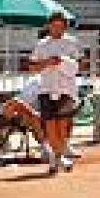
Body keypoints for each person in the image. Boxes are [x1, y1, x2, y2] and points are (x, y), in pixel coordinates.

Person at [27, 10, 83, 175]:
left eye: (60, 25)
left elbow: (79, 65)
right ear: (49, 26)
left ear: (65, 27)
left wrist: (64, 62)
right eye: (54, 25)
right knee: (50, 126)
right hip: (47, 87)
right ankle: (56, 158)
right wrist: (47, 62)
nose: (57, 29)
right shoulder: (42, 44)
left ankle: (58, 157)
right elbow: (32, 67)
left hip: (66, 89)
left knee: (62, 125)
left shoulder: (72, 43)